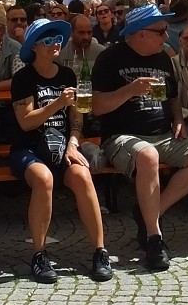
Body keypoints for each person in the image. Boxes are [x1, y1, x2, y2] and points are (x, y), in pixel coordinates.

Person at [92, 4, 188, 271]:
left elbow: (172, 98)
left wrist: (179, 120)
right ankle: (154, 238)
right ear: (140, 33)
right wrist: (129, 91)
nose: (166, 35)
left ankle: (151, 212)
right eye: (160, 31)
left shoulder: (162, 59)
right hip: (123, 137)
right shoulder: (110, 58)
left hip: (163, 134)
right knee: (148, 154)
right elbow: (97, 107)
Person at [9, 19, 112, 283]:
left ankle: (100, 252)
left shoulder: (68, 75)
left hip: (62, 148)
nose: (55, 44)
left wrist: (74, 143)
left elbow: (77, 119)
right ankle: (39, 254)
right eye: (48, 40)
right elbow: (26, 121)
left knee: (83, 176)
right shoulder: (23, 78)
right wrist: (57, 103)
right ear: (34, 46)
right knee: (44, 179)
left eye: (57, 39)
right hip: (28, 149)